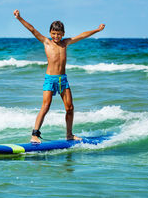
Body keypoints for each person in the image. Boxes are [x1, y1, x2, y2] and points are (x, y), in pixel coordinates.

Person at [13, 9, 105, 143]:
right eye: (53, 33)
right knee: (45, 106)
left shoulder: (65, 43)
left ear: (63, 34)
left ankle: (69, 134)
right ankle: (34, 134)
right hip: (50, 79)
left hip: (63, 79)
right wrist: (19, 18)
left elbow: (82, 35)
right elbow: (32, 29)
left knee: (70, 108)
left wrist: (97, 30)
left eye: (59, 34)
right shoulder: (46, 42)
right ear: (50, 33)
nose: (56, 36)